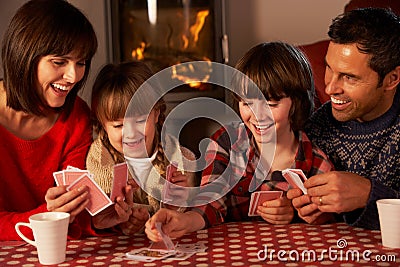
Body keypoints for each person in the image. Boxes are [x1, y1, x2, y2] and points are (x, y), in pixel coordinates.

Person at [145, 42, 334, 241]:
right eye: (247, 103)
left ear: (297, 103)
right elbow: (210, 203)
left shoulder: (317, 162)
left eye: (270, 104)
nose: (257, 116)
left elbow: (330, 218)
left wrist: (295, 213)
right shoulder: (225, 143)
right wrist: (182, 221)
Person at [288, 8, 400, 230]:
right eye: (329, 68)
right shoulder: (317, 128)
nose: (329, 87)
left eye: (349, 77)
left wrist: (367, 194)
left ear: (391, 79)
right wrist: (319, 211)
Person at [0, 0, 98, 241]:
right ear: (24, 55)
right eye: (59, 62)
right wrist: (48, 216)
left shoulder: (77, 116)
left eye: (81, 63)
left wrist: (103, 217)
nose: (73, 76)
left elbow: (76, 216)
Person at [86, 61, 195, 235]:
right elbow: (102, 215)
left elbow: (190, 216)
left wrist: (176, 205)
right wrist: (127, 220)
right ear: (103, 126)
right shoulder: (99, 160)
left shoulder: (180, 158)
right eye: (118, 126)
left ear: (156, 114)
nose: (130, 133)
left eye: (139, 121)